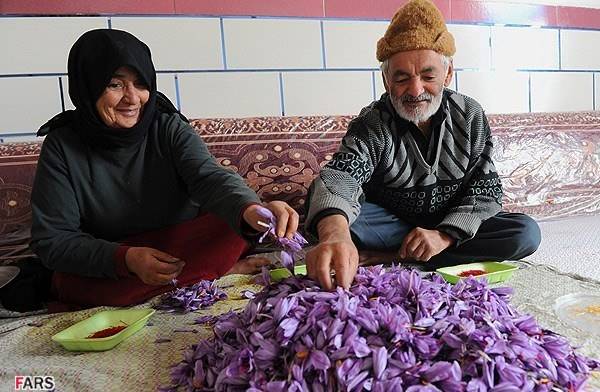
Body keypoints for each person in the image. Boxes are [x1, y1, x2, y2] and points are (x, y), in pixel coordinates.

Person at [30, 29, 299, 307]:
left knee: (232, 224)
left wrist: (250, 209)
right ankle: (209, 273)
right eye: (115, 84)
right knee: (65, 282)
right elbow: (54, 238)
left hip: (181, 241)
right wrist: (126, 259)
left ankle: (188, 276)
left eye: (140, 83)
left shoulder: (167, 126)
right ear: (87, 85)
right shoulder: (62, 145)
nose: (132, 98)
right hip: (116, 253)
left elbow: (208, 177)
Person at [304, 0, 541, 290]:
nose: (416, 90)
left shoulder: (469, 115)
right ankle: (409, 254)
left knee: (524, 233)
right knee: (332, 218)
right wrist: (334, 234)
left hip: (448, 223)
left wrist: (444, 235)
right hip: (392, 225)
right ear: (386, 80)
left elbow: (485, 191)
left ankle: (396, 259)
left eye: (428, 76)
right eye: (402, 78)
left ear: (448, 74)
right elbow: (341, 178)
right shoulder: (373, 124)